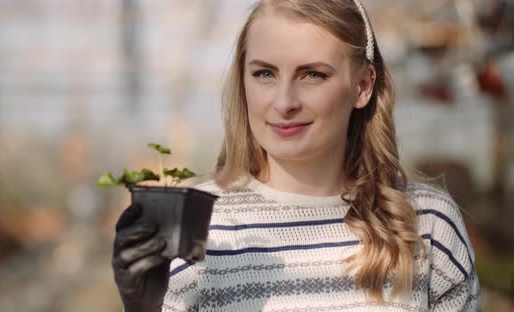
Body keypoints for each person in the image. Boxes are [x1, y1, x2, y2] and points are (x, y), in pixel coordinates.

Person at [112, 0, 482, 311]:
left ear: (363, 85)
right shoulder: (197, 228)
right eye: (265, 74)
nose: (284, 102)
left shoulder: (426, 225)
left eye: (312, 75)